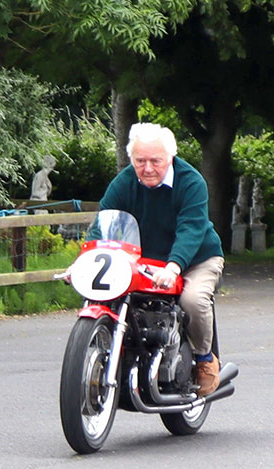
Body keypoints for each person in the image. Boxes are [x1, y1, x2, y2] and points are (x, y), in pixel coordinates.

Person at [99, 122, 225, 396]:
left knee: (193, 300)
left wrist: (173, 266)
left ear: (170, 157)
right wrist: (87, 259)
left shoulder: (191, 182)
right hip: (145, 260)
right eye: (140, 161)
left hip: (196, 258)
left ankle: (204, 359)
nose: (147, 168)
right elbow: (104, 222)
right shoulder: (124, 183)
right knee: (109, 295)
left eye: (155, 161)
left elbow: (191, 229)